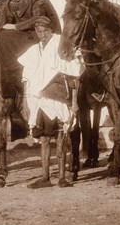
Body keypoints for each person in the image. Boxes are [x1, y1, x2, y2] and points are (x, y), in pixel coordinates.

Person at [19, 16, 83, 188]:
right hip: (39, 101)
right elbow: (26, 79)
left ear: (51, 30)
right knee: (45, 139)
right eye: (38, 32)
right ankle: (45, 177)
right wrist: (25, 103)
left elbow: (73, 75)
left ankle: (62, 176)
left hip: (59, 99)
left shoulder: (61, 45)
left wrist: (74, 101)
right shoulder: (33, 51)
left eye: (45, 31)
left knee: (61, 137)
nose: (42, 35)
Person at [0, 0, 48, 99]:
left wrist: (16, 26)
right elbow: (0, 25)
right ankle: (9, 84)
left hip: (32, 35)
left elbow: (38, 18)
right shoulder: (5, 4)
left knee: (5, 36)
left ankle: (19, 74)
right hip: (15, 40)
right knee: (0, 38)